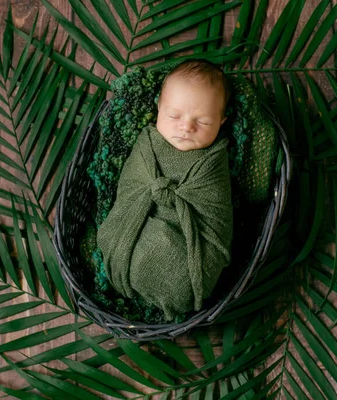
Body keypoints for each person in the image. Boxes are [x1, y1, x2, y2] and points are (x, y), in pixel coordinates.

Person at [96, 59, 234, 321]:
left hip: (190, 238)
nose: (186, 127)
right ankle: (129, 270)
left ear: (221, 121)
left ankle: (170, 290)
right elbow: (129, 188)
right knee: (113, 239)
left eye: (203, 122)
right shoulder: (147, 143)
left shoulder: (214, 161)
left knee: (186, 277)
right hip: (133, 223)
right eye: (174, 116)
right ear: (159, 107)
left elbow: (216, 216)